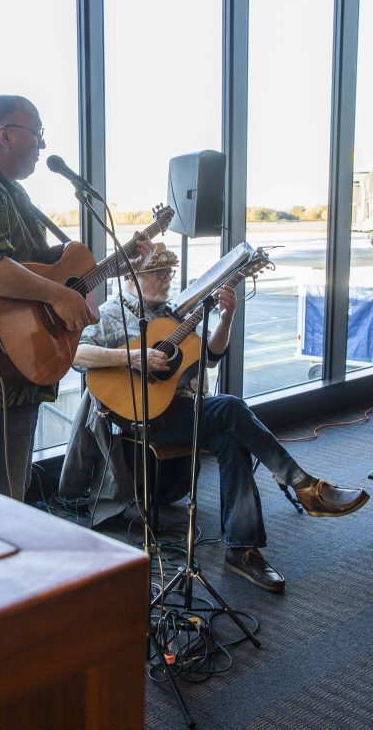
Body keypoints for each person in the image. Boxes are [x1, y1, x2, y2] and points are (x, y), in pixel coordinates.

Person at [69, 243, 369, 592]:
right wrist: (133, 358)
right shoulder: (109, 313)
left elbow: (209, 356)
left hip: (180, 412)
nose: (167, 279)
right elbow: (77, 353)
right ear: (134, 280)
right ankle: (301, 483)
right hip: (140, 418)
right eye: (158, 274)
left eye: (169, 273)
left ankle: (243, 549)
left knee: (230, 439)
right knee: (230, 408)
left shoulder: (176, 314)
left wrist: (226, 316)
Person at [0, 94, 154, 500]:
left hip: (11, 367)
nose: (42, 144)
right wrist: (57, 294)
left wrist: (116, 267)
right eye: (36, 132)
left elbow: (39, 269)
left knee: (6, 501)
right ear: (4, 135)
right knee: (0, 509)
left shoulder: (6, 192)